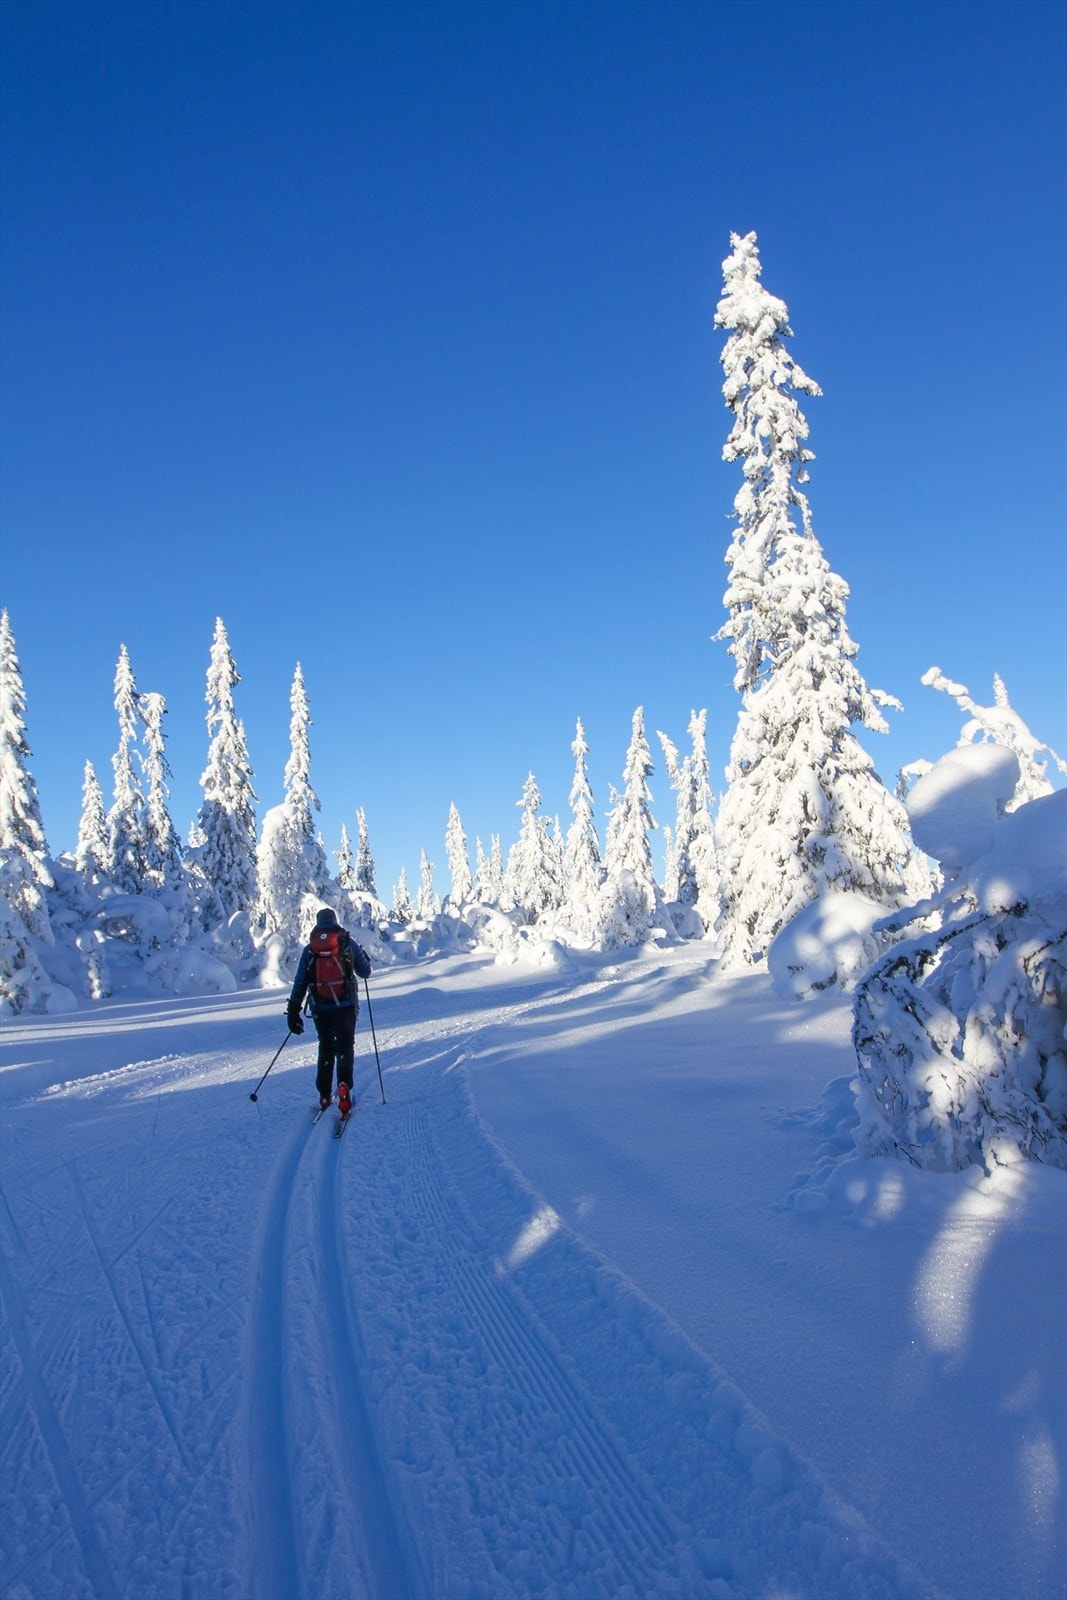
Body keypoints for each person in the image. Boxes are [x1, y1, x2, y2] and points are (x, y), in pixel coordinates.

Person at [287, 907, 372, 1116]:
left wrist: (293, 1010)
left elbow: (300, 982)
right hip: (345, 1005)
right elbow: (365, 972)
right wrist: (364, 958)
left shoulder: (310, 949)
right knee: (345, 1046)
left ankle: (325, 1095)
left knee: (326, 1046)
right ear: (335, 921)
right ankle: (344, 1086)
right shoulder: (346, 942)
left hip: (319, 1006)